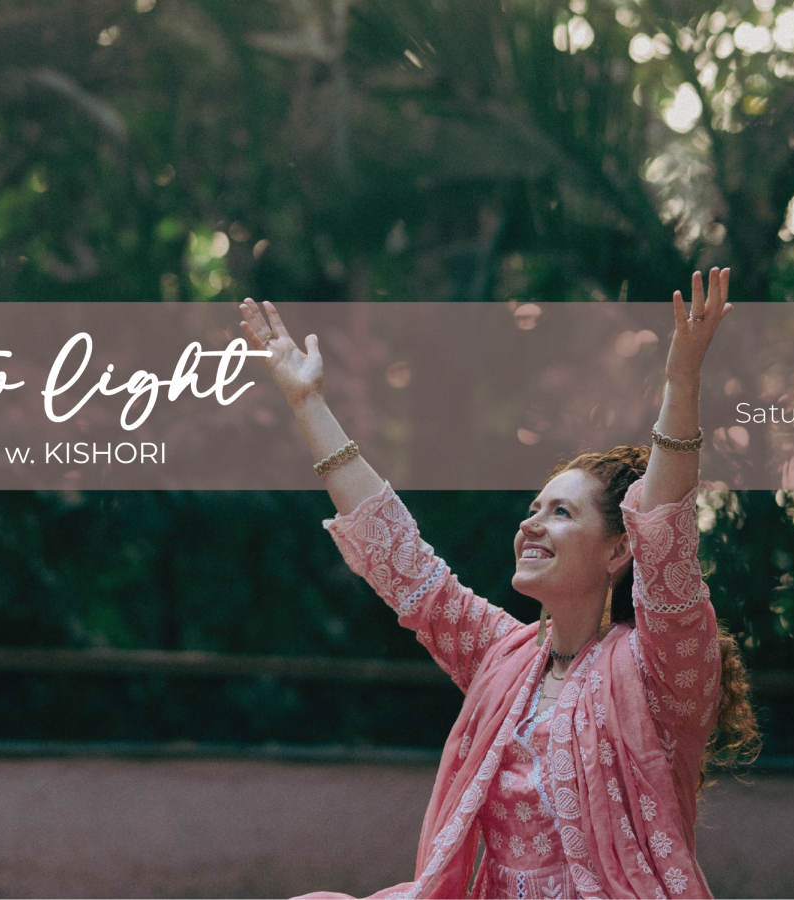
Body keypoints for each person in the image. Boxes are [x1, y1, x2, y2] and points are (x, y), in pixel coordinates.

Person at [237, 269, 759, 900]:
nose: (531, 524)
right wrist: (308, 404)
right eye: (534, 509)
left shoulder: (658, 669)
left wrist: (681, 383)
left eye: (561, 513)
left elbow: (668, 539)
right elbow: (402, 561)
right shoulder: (504, 658)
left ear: (622, 547)